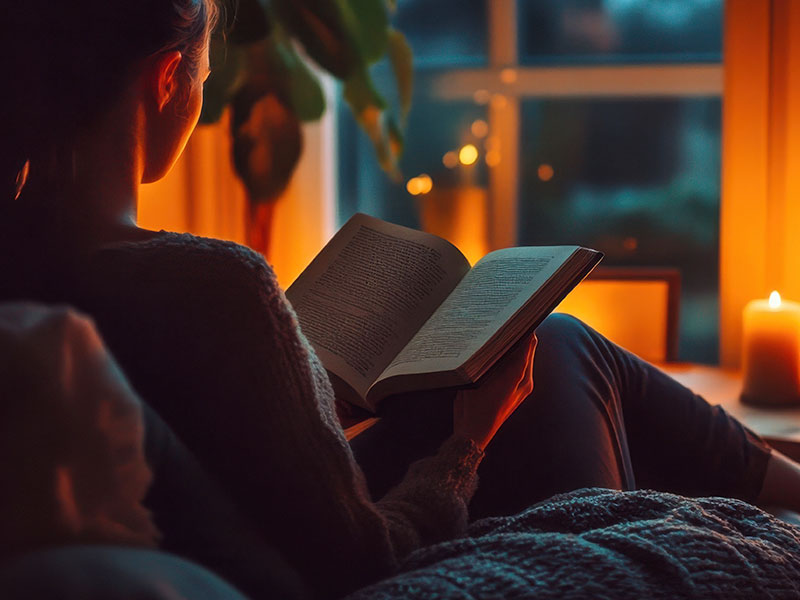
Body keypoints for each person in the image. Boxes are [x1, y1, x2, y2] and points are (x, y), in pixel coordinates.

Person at [1, 1, 799, 598]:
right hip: (354, 559)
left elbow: (229, 457)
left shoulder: (28, 264)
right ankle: (780, 490)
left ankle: (780, 481)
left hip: (257, 522)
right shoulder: (210, 284)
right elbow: (367, 558)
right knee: (550, 347)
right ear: (168, 77)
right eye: (204, 78)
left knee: (553, 339)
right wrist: (468, 442)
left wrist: (315, 399)